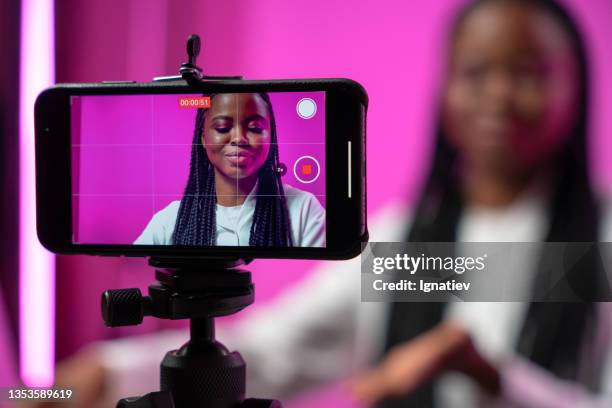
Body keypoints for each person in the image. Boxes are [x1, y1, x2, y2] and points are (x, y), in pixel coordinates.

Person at [40, 0, 612, 407]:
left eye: (529, 72)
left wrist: (487, 373)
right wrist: (101, 375)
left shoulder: (599, 244)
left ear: (578, 87)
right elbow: (271, 350)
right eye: (476, 73)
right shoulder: (406, 241)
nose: (499, 95)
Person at [134, 92, 326, 247]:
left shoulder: (303, 209)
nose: (239, 138)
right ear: (203, 138)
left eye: (255, 128)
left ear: (271, 137)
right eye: (223, 128)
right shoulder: (170, 221)